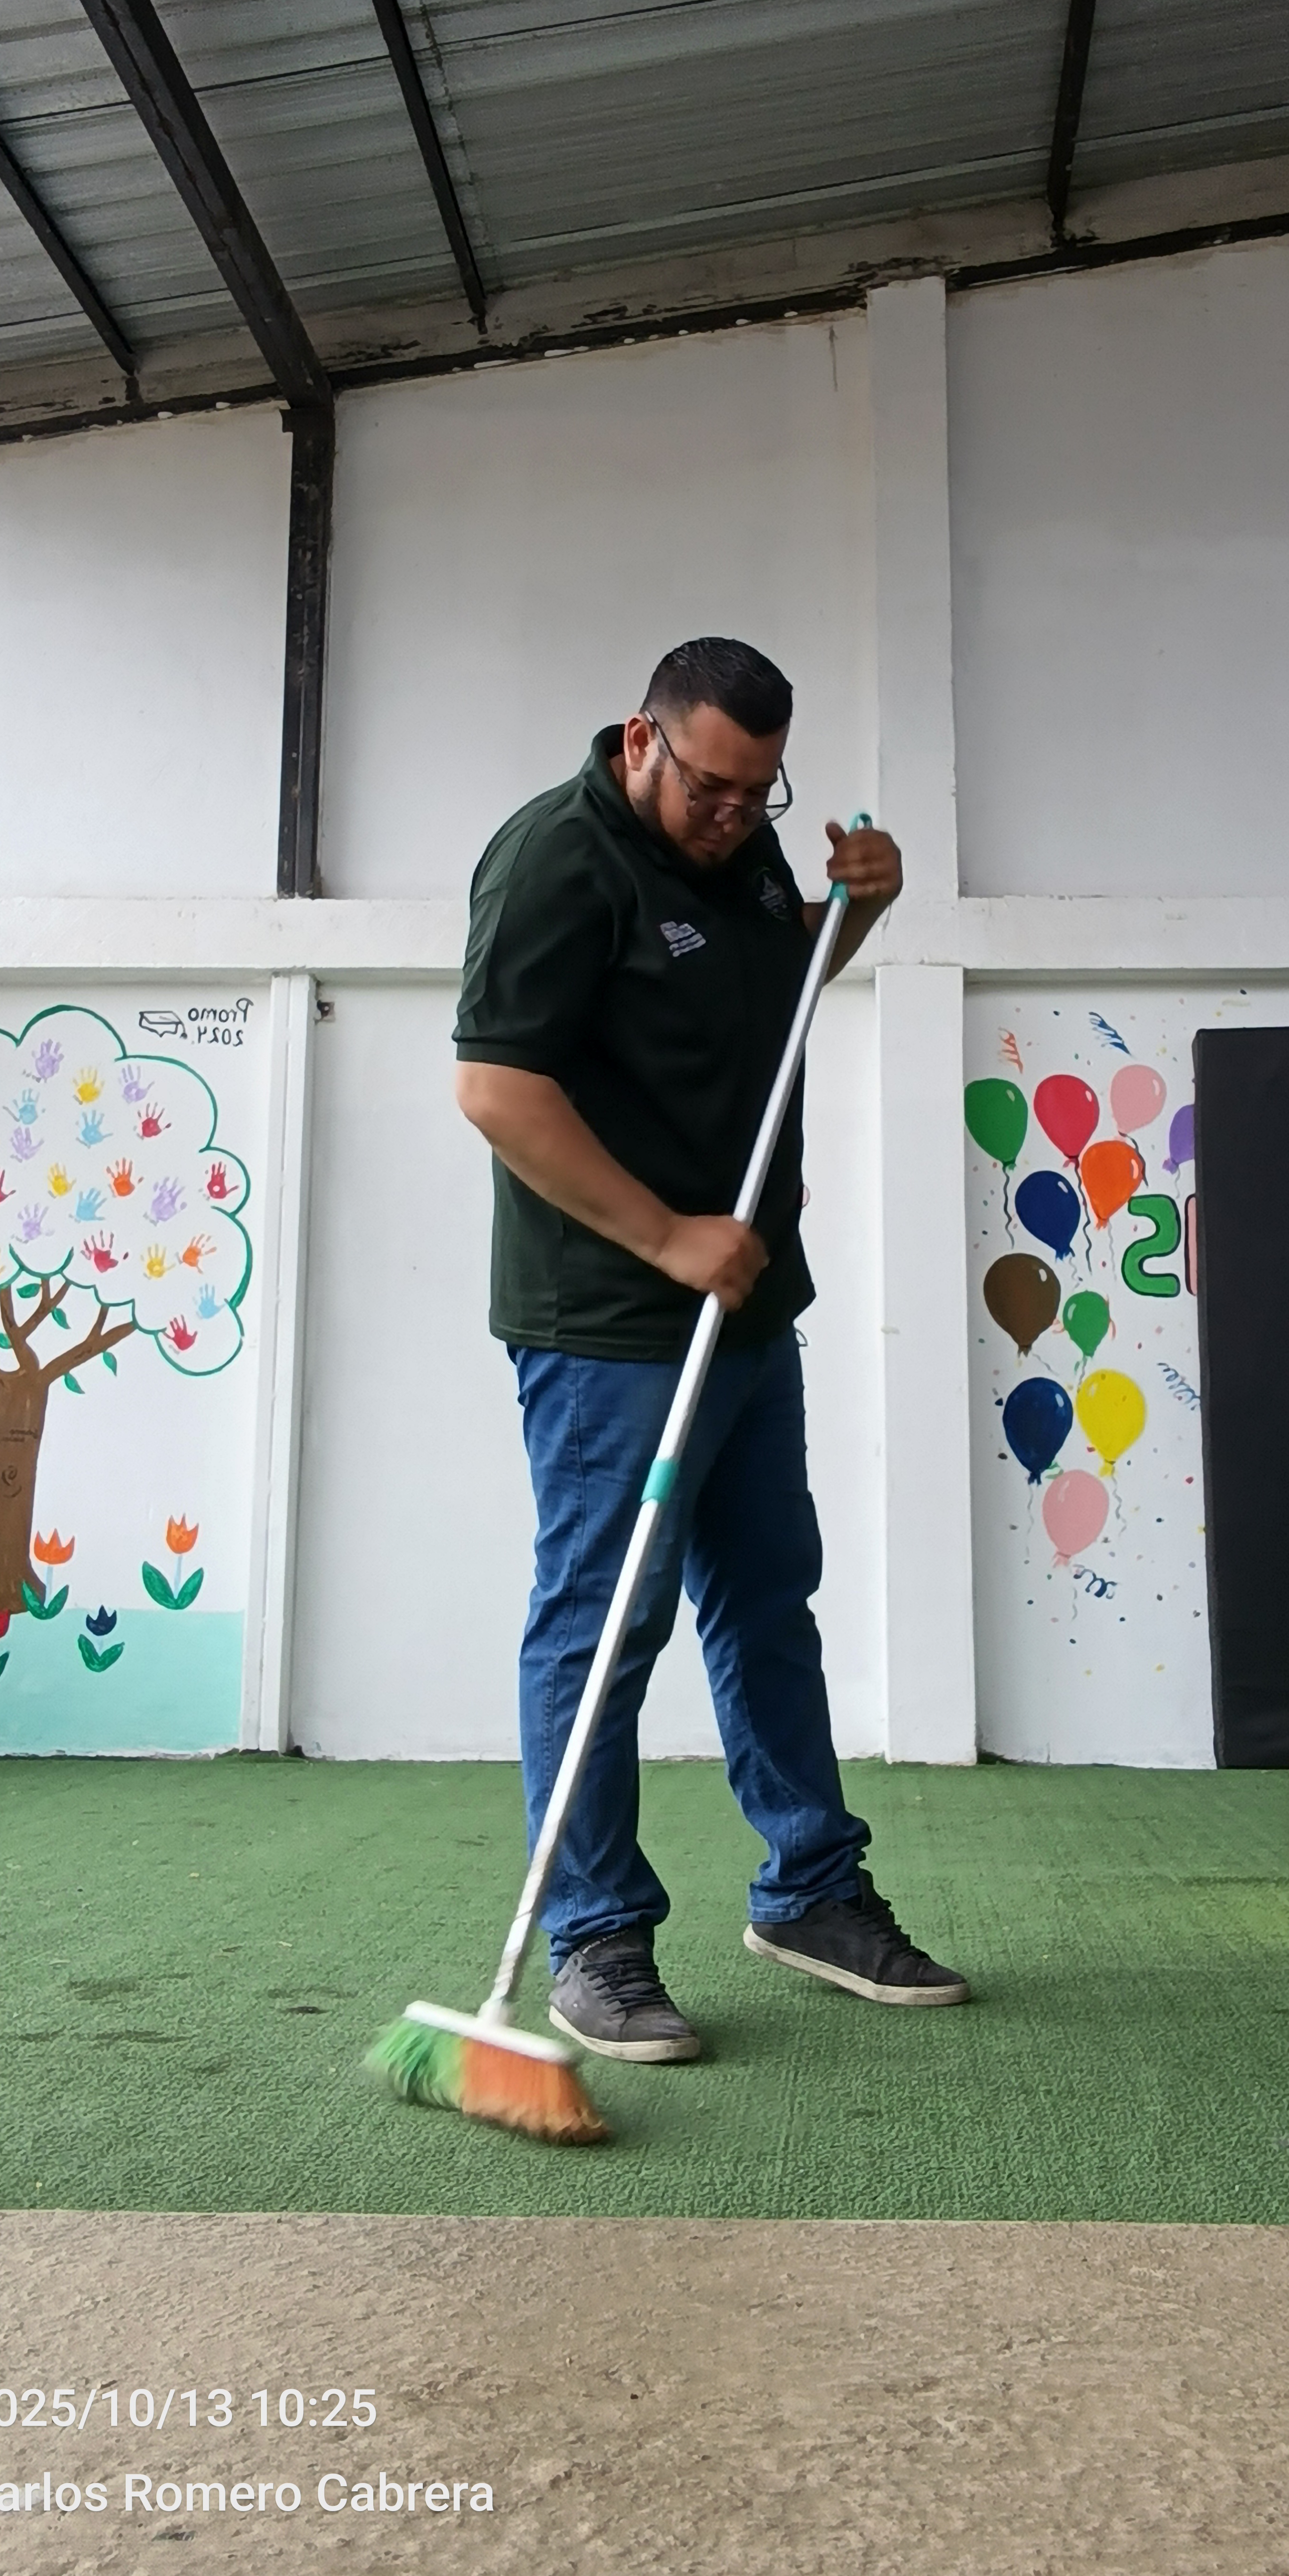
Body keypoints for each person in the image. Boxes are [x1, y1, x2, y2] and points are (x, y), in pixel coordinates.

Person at [453, 635, 969, 2063]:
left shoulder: (738, 848)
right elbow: (496, 1089)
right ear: (643, 738)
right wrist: (668, 1235)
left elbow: (772, 984)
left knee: (765, 1596)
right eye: (710, 788)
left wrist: (854, 913)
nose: (735, 815)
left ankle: (811, 1892)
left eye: (761, 793)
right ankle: (595, 1938)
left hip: (745, 1307)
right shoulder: (555, 863)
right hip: (613, 1326)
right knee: (604, 1623)